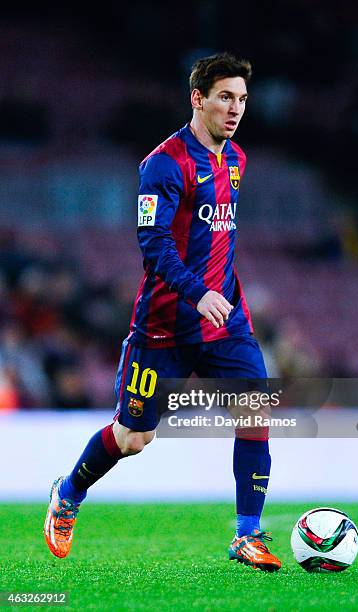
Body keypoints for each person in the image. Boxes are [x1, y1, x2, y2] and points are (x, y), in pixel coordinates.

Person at [44, 52, 282, 572]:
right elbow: (152, 243)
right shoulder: (163, 163)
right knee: (133, 438)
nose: (235, 108)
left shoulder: (237, 160)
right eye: (225, 97)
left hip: (225, 321)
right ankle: (68, 492)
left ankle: (248, 534)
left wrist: (218, 296)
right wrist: (198, 292)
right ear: (198, 98)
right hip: (165, 327)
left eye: (242, 99)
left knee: (256, 413)